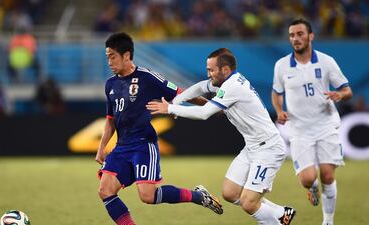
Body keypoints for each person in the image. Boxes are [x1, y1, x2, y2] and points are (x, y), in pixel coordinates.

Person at [147, 48, 296, 225]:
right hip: (252, 147)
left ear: (225, 70)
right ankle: (281, 213)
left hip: (268, 149)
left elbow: (204, 113)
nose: (208, 74)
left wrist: (170, 108)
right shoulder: (226, 81)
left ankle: (275, 221)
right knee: (230, 193)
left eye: (211, 70)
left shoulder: (233, 86)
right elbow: (201, 87)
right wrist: (176, 101)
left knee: (249, 203)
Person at [95, 32, 223, 225]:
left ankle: (199, 196)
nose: (109, 62)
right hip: (121, 148)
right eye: (107, 57)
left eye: (112, 56)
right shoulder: (110, 84)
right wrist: (101, 147)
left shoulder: (148, 78)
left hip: (143, 146)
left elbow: (182, 93)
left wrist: (212, 107)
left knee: (148, 196)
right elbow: (110, 120)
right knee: (105, 190)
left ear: (127, 55)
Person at [271, 18, 353, 225]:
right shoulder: (281, 66)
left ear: (310, 36)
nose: (295, 39)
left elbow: (347, 90)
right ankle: (312, 188)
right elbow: (276, 92)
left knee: (327, 175)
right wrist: (279, 110)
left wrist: (340, 95)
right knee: (308, 179)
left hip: (326, 125)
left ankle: (328, 221)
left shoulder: (326, 61)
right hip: (299, 130)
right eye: (292, 35)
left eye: (300, 34)